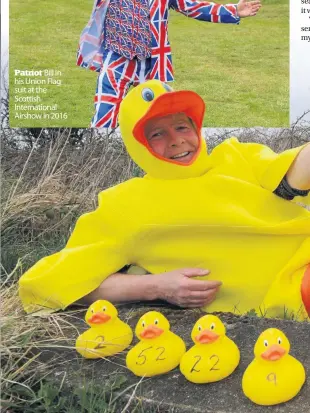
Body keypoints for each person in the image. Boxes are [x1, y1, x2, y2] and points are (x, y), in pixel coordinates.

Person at [19, 80, 310, 321]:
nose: (176, 140)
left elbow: (292, 177)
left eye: (182, 127)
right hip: (292, 292)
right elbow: (44, 283)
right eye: (157, 133)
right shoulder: (124, 206)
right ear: (139, 146)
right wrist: (155, 286)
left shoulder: (236, 156)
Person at [77, 0, 261, 128]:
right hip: (116, 58)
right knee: (103, 117)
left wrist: (233, 10)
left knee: (158, 119)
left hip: (152, 64)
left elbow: (193, 6)